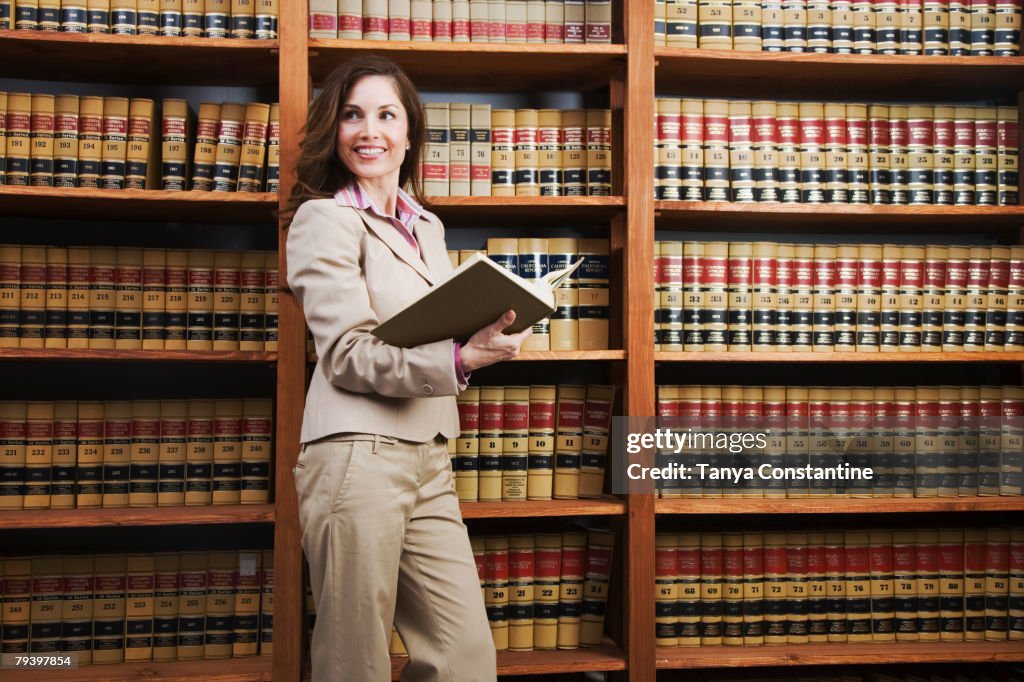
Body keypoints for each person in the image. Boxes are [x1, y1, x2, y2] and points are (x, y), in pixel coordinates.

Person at [284, 55, 532, 682]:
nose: (370, 130)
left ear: (410, 132)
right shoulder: (324, 220)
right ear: (332, 131)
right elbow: (345, 353)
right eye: (352, 114)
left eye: (386, 114)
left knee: (463, 658)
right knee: (354, 661)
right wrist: (458, 358)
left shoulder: (427, 226)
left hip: (427, 452)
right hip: (353, 456)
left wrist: (485, 338)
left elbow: (426, 335)